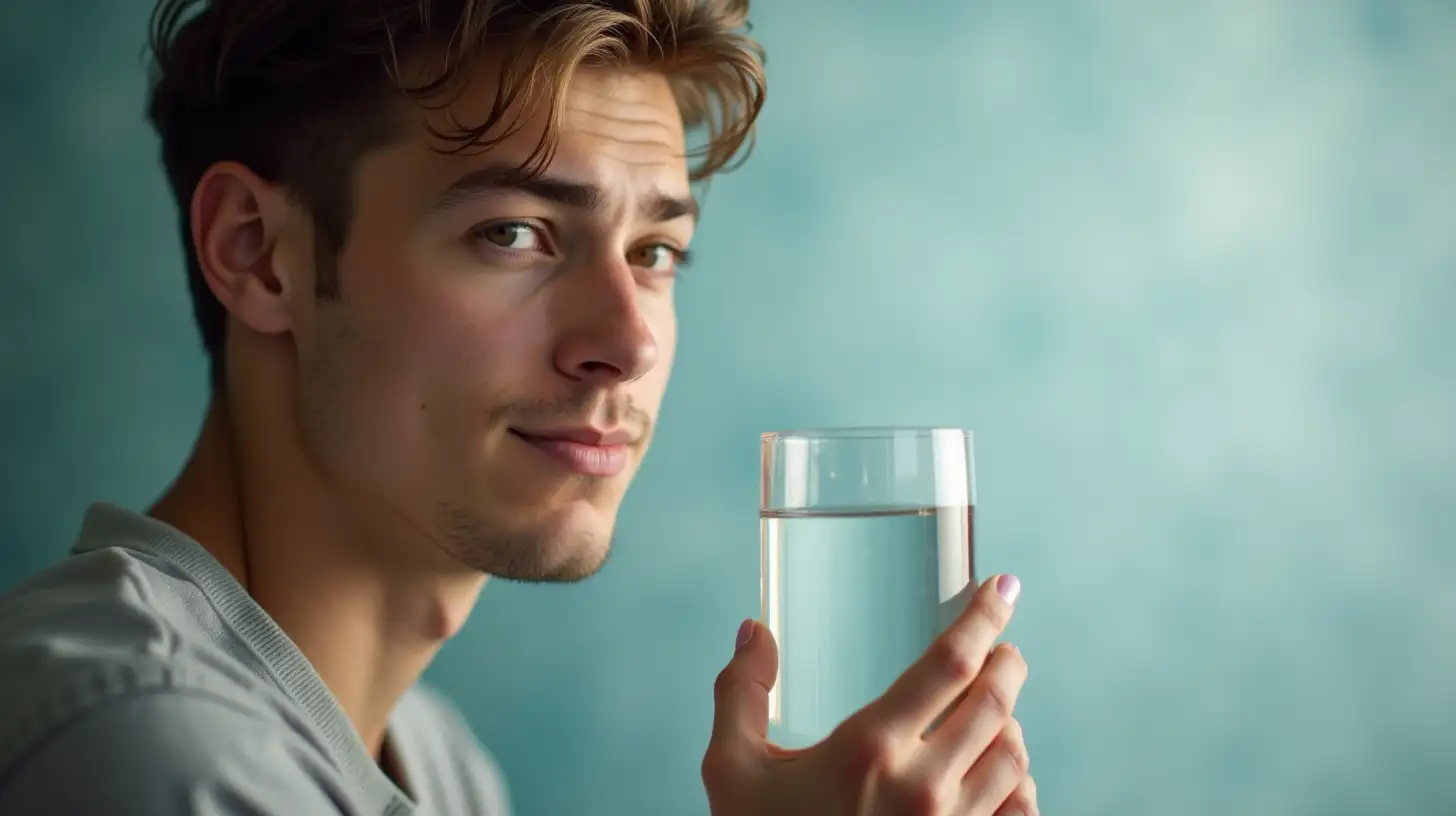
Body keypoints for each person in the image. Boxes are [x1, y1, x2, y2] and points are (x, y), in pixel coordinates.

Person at [0, 0, 1039, 813]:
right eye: (516, 234)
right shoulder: (145, 749)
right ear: (257, 253)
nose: (627, 342)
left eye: (656, 251)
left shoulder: (442, 768)